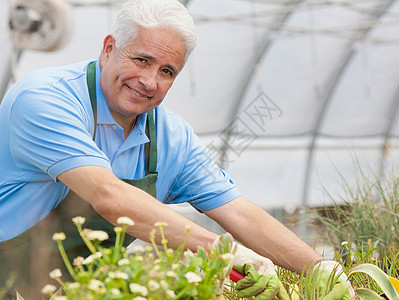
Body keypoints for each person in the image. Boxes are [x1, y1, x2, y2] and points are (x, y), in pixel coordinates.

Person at [0, 0, 354, 299]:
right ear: (109, 48)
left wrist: (320, 268)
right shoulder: (45, 100)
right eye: (141, 60)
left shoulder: (170, 138)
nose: (150, 81)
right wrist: (224, 252)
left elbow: (238, 212)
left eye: (167, 71)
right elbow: (109, 197)